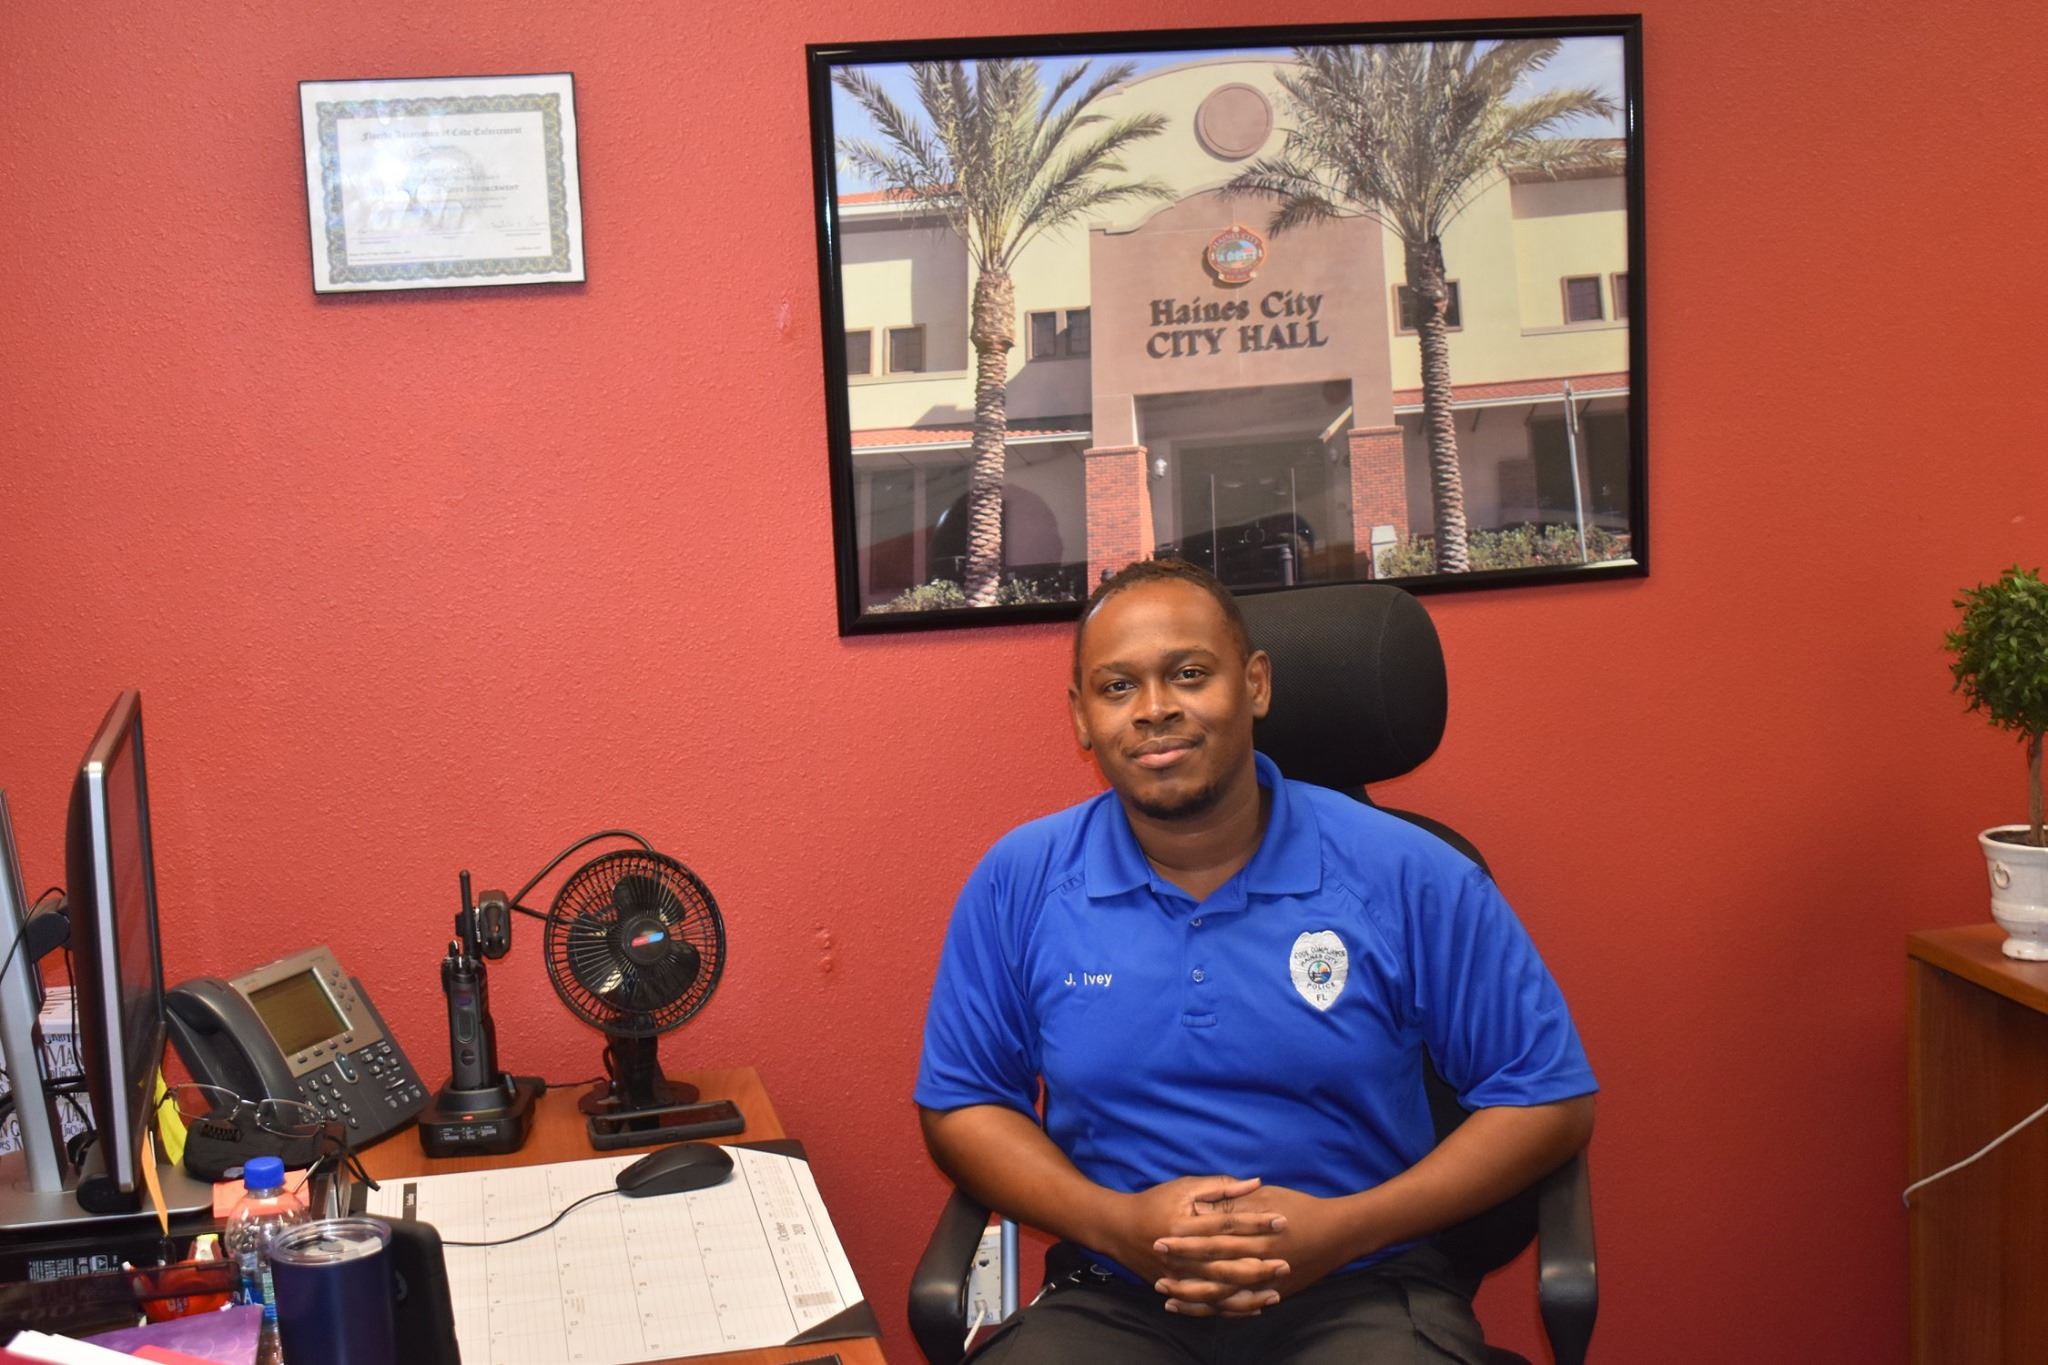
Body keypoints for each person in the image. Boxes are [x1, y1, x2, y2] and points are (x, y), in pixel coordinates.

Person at [914, 558, 1597, 1363]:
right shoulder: (1021, 879)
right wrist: (1117, 1226)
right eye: (1118, 686)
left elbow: (1548, 1099)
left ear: (1257, 684)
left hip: (1361, 1288)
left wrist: (1344, 1227)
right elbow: (964, 1103)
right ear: (1081, 718)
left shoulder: (1410, 872)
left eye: (1190, 674)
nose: (1156, 710)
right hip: (1114, 1295)